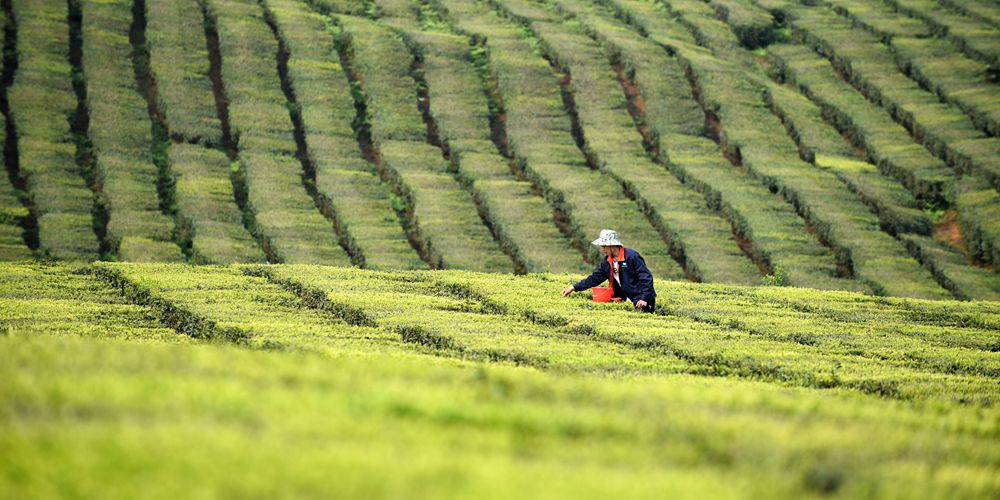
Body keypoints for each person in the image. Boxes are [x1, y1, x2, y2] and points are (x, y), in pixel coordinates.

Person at [561, 229, 657, 313]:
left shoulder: (632, 257)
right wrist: (573, 287)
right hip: (625, 299)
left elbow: (646, 278)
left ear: (613, 245)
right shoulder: (607, 261)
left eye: (604, 246)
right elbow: (595, 278)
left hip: (642, 301)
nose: (603, 249)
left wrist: (644, 298)